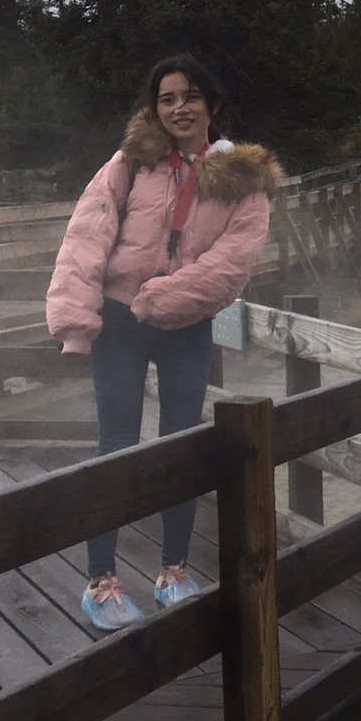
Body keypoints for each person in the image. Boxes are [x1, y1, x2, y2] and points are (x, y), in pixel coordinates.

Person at [47, 56, 281, 630]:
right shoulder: (131, 164)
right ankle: (100, 580)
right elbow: (88, 234)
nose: (180, 108)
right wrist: (78, 322)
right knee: (118, 445)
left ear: (213, 105)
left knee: (181, 448)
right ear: (155, 107)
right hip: (120, 321)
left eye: (192, 96)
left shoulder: (244, 182)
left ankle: (173, 570)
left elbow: (233, 263)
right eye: (168, 98)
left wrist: (165, 298)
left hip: (186, 326)